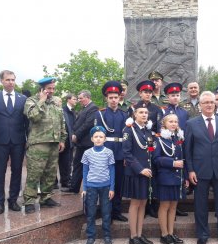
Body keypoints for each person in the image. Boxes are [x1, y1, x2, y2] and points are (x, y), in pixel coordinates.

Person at [185, 91, 218, 244]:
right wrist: (190, 170)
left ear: (216, 104)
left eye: (211, 102)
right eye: (205, 102)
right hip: (200, 171)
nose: (209, 105)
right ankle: (202, 235)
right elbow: (188, 150)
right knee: (200, 205)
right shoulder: (191, 123)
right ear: (200, 105)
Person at [0, 70, 28, 214]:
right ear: (2, 81)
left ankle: (13, 200)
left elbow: (27, 122)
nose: (11, 82)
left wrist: (28, 140)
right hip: (0, 141)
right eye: (8, 79)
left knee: (17, 171)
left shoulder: (23, 99)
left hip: (18, 141)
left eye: (13, 79)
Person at [23, 77, 67, 214]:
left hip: (54, 142)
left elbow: (61, 122)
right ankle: (29, 201)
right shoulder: (31, 100)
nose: (52, 91)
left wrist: (62, 139)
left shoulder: (55, 102)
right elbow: (33, 116)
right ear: (42, 89)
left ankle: (45, 197)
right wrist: (41, 100)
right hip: (38, 143)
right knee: (34, 173)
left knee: (50, 173)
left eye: (53, 88)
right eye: (49, 88)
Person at [128, 80, 163, 218]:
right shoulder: (133, 108)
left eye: (150, 92)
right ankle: (141, 208)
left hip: (151, 143)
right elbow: (130, 127)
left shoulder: (156, 108)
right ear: (140, 93)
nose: (148, 94)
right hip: (137, 145)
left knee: (152, 176)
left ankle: (151, 205)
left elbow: (159, 128)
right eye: (145, 92)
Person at [153, 114, 189, 244]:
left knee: (174, 206)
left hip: (178, 177)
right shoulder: (159, 139)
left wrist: (184, 176)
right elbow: (155, 159)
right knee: (165, 206)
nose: (173, 124)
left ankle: (171, 232)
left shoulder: (179, 138)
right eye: (171, 121)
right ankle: (164, 234)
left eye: (176, 121)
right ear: (164, 124)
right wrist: (172, 163)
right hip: (165, 177)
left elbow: (183, 159)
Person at [122, 102, 154, 244]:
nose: (144, 115)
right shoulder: (129, 130)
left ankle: (140, 234)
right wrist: (140, 169)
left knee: (143, 203)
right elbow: (127, 153)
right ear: (135, 114)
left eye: (146, 113)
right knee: (135, 203)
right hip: (136, 172)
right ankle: (133, 236)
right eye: (141, 112)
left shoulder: (147, 131)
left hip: (147, 172)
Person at [95, 81, 128, 222]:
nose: (114, 100)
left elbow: (127, 136)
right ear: (106, 98)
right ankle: (105, 212)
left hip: (120, 153)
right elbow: (97, 136)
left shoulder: (124, 115)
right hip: (105, 152)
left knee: (118, 184)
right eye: (111, 98)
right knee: (105, 184)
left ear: (120, 98)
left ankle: (116, 211)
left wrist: (126, 155)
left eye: (116, 97)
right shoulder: (100, 114)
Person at [82, 126, 115, 244]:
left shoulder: (109, 152)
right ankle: (91, 237)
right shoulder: (87, 153)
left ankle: (107, 236)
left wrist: (112, 188)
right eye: (96, 136)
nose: (98, 139)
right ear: (92, 139)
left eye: (101, 137)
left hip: (106, 187)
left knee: (106, 213)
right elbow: (85, 171)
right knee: (91, 213)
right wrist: (84, 188)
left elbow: (112, 170)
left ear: (105, 139)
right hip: (91, 187)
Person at [62, 90, 98, 193]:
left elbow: (88, 124)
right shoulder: (84, 108)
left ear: (87, 97)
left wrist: (76, 135)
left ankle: (89, 188)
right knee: (77, 164)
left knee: (86, 166)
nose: (79, 100)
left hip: (87, 143)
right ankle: (74, 187)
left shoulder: (93, 108)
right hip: (81, 143)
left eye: (81, 98)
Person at [162, 82, 189, 217]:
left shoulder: (184, 112)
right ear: (168, 96)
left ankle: (176, 205)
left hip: (180, 145)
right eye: (172, 95)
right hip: (166, 146)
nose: (175, 97)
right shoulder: (163, 111)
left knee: (179, 175)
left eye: (177, 95)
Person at [57, 93, 77, 188]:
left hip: (70, 140)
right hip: (64, 140)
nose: (76, 100)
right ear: (68, 99)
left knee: (68, 162)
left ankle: (66, 179)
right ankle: (64, 180)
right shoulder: (64, 110)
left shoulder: (72, 111)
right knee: (64, 162)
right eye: (74, 99)